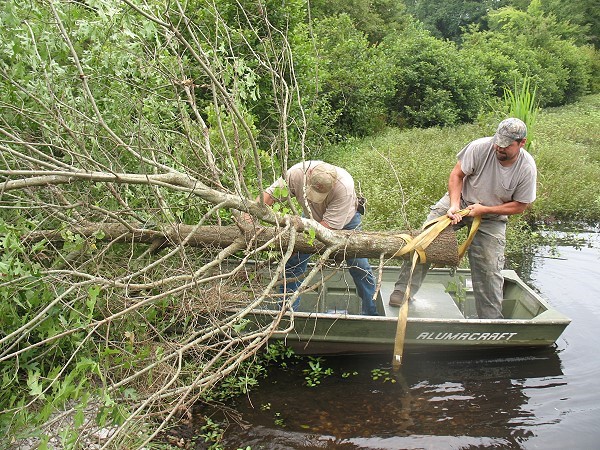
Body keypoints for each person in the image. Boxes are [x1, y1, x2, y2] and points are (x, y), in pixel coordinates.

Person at [389, 118, 537, 319]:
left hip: (492, 215)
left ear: (521, 143)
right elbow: (457, 175)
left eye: (506, 146)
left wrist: (484, 210)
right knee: (425, 240)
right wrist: (454, 205)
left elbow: (520, 205)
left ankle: (490, 318)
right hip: (462, 201)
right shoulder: (479, 147)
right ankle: (403, 291)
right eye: (498, 143)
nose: (499, 148)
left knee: (489, 265)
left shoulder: (526, 167)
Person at [254, 160, 378, 315]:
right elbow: (269, 196)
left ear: (332, 185)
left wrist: (298, 242)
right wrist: (250, 216)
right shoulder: (297, 173)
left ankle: (371, 314)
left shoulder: (344, 187)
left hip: (345, 223)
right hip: (310, 218)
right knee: (293, 264)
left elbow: (325, 229)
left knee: (359, 266)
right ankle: (286, 313)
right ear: (310, 175)